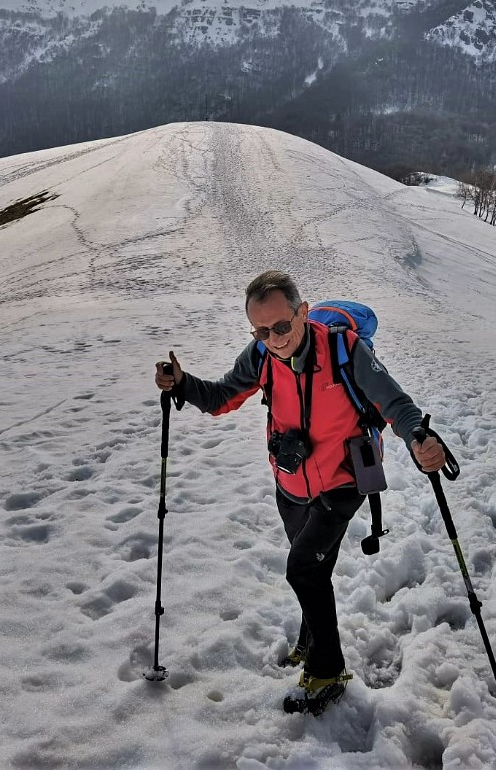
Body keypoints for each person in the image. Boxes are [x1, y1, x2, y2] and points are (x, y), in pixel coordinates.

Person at [154, 270, 447, 711]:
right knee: (315, 564)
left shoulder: (346, 350)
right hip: (290, 484)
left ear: (303, 313)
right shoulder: (261, 356)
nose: (273, 338)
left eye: (281, 326)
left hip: (344, 480)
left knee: (303, 569)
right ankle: (311, 639)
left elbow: (395, 403)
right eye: (261, 330)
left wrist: (419, 437)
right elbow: (221, 397)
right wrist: (183, 383)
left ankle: (327, 670)